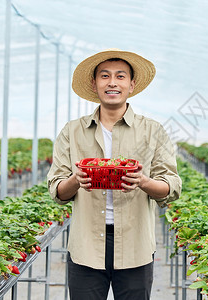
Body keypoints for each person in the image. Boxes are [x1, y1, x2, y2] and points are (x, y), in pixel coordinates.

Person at [47, 48, 182, 300]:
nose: (112, 82)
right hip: (86, 246)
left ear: (131, 85)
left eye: (120, 76)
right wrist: (77, 179)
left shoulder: (152, 131)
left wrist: (143, 182)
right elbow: (57, 190)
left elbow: (171, 186)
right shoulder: (73, 131)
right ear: (94, 83)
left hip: (135, 246)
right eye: (104, 76)